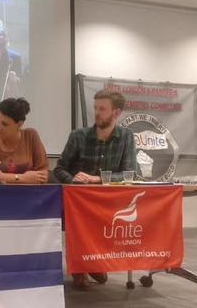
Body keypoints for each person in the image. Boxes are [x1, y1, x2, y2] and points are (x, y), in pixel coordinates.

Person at [53, 89, 137, 290]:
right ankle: (80, 267)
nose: (96, 113)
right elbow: (59, 168)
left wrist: (96, 179)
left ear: (116, 113)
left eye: (102, 109)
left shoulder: (126, 136)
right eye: (95, 108)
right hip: (78, 199)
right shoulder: (78, 136)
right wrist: (73, 180)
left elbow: (130, 175)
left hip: (106, 200)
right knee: (78, 215)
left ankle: (92, 260)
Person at [0, 98, 48, 183]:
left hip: (27, 194)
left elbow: (43, 175)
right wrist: (23, 178)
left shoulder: (31, 135)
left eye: (5, 124)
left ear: (19, 124)